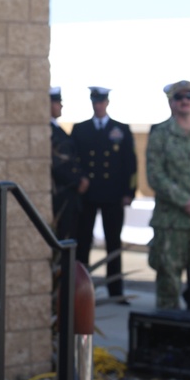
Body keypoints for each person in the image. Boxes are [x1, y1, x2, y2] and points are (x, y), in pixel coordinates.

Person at [145, 80, 190, 312]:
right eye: (179, 97)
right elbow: (155, 175)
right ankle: (169, 343)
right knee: (168, 288)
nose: (184, 101)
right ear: (171, 102)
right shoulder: (160, 134)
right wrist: (186, 201)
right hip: (171, 225)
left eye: (189, 96)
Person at [70, 86, 137, 304]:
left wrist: (129, 192)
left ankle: (115, 291)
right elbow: (73, 160)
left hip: (113, 195)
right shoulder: (81, 129)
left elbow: (130, 164)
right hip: (88, 195)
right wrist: (79, 179)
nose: (98, 105)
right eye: (95, 101)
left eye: (101, 101)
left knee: (113, 243)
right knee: (83, 243)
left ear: (107, 103)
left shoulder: (121, 129)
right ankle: (80, 290)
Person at [50, 87, 87, 240]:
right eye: (58, 102)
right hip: (61, 194)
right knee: (63, 237)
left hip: (69, 194)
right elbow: (58, 164)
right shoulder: (49, 130)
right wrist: (78, 181)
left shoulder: (57, 129)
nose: (61, 106)